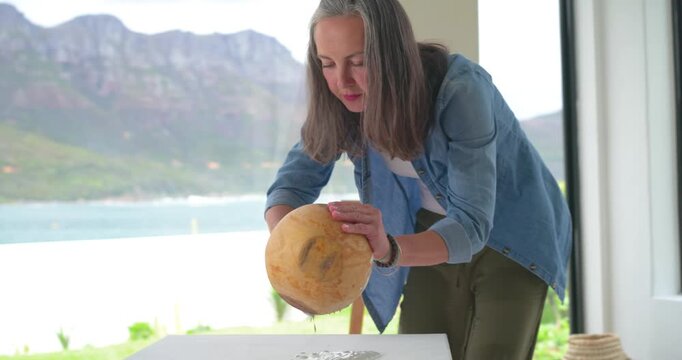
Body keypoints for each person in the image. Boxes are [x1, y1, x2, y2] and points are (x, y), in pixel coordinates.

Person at [264, 0, 572, 359]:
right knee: (420, 352)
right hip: (431, 231)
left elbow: (472, 225)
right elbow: (290, 188)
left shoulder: (460, 91)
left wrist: (389, 248)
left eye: (359, 61)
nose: (341, 81)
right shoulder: (342, 103)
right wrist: (293, 258)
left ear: (391, 54)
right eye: (327, 64)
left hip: (510, 233)